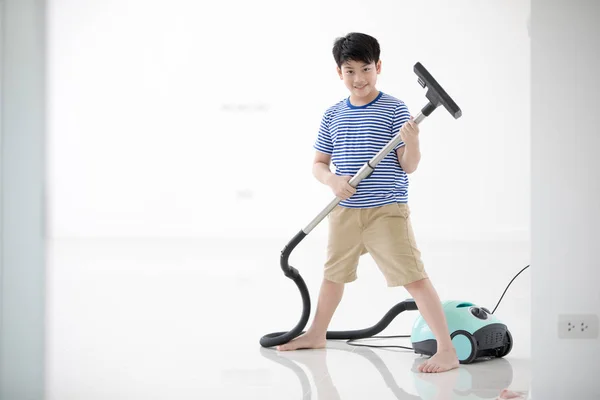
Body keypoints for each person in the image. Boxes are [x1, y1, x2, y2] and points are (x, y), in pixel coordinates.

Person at [277, 32, 459, 373]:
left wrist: (413, 142)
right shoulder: (333, 115)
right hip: (344, 211)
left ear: (378, 67)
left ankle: (447, 350)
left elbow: (409, 166)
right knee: (333, 275)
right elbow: (318, 164)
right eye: (350, 71)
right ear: (339, 72)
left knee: (414, 278)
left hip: (386, 212)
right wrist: (333, 180)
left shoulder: (395, 109)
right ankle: (317, 333)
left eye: (365, 69)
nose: (359, 79)